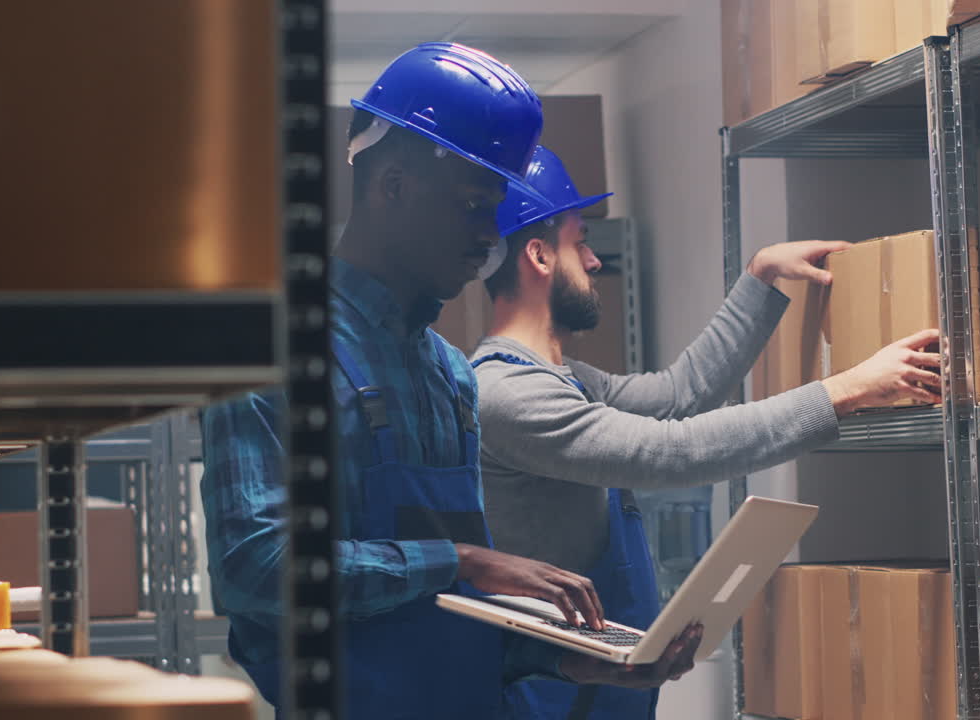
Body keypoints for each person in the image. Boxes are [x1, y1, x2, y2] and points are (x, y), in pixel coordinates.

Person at [198, 45, 701, 719]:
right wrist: (460, 559)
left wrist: (565, 661)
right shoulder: (272, 354)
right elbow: (255, 568)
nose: (486, 241)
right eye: (470, 205)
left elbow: (444, 626)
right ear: (392, 186)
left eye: (493, 212)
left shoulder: (449, 374)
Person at [472, 145, 942, 720]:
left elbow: (676, 398)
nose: (595, 262)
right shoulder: (507, 394)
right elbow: (672, 451)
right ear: (540, 255)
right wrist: (847, 390)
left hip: (599, 685)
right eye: (582, 242)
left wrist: (760, 277)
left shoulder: (567, 382)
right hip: (548, 697)